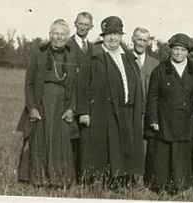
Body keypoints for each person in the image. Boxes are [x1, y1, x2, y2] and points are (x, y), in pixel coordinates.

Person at [77, 16, 144, 190]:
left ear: (121, 36)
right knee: (106, 148)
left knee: (124, 147)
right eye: (108, 35)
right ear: (103, 36)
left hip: (126, 110)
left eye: (116, 34)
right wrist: (83, 111)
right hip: (103, 111)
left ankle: (121, 181)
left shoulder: (128, 56)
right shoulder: (94, 56)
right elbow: (82, 85)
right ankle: (99, 183)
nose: (112, 38)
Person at [17, 19, 78, 187]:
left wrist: (71, 108)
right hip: (41, 103)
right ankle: (39, 179)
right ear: (50, 35)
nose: (59, 37)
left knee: (61, 141)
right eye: (56, 34)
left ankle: (60, 180)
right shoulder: (39, 53)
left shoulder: (72, 55)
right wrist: (32, 108)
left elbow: (74, 86)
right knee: (39, 140)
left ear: (67, 37)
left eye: (63, 34)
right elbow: (29, 83)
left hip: (62, 106)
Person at [145, 33, 193, 194]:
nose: (178, 53)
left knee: (183, 154)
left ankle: (181, 186)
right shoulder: (160, 70)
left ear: (188, 52)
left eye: (182, 50)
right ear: (170, 50)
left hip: (187, 119)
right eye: (175, 49)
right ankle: (161, 187)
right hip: (165, 119)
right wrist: (153, 119)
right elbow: (153, 96)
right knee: (163, 155)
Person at [130, 26, 159, 186]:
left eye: (144, 40)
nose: (141, 43)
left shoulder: (155, 64)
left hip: (147, 113)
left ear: (148, 42)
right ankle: (127, 178)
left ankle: (141, 179)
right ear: (133, 39)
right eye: (138, 39)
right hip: (128, 112)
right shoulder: (124, 59)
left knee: (145, 146)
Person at [67, 11, 94, 182]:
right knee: (70, 140)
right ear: (75, 24)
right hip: (71, 101)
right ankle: (69, 176)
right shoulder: (68, 45)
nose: (83, 27)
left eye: (86, 24)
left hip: (88, 103)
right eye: (80, 23)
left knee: (85, 141)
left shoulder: (92, 48)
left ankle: (83, 177)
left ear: (91, 27)